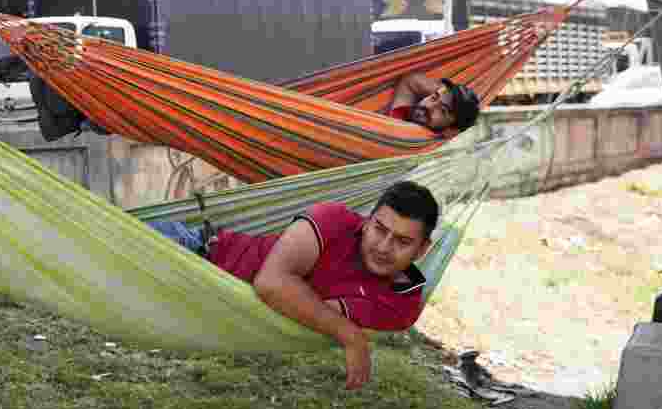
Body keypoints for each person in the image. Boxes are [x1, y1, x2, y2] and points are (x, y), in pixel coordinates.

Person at [148, 180, 439, 390]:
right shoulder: (333, 219)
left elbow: (314, 311)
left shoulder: (401, 305)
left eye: (402, 241)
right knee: (102, 241)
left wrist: (333, 321)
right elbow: (272, 284)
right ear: (366, 222)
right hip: (191, 252)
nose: (384, 247)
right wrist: (350, 335)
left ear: (423, 249)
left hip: (210, 304)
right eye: (379, 229)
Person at [385, 72, 480, 138]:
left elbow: (411, 80)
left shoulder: (411, 142)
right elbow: (410, 80)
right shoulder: (403, 117)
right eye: (434, 98)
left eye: (443, 110)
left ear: (451, 131)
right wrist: (442, 91)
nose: (428, 106)